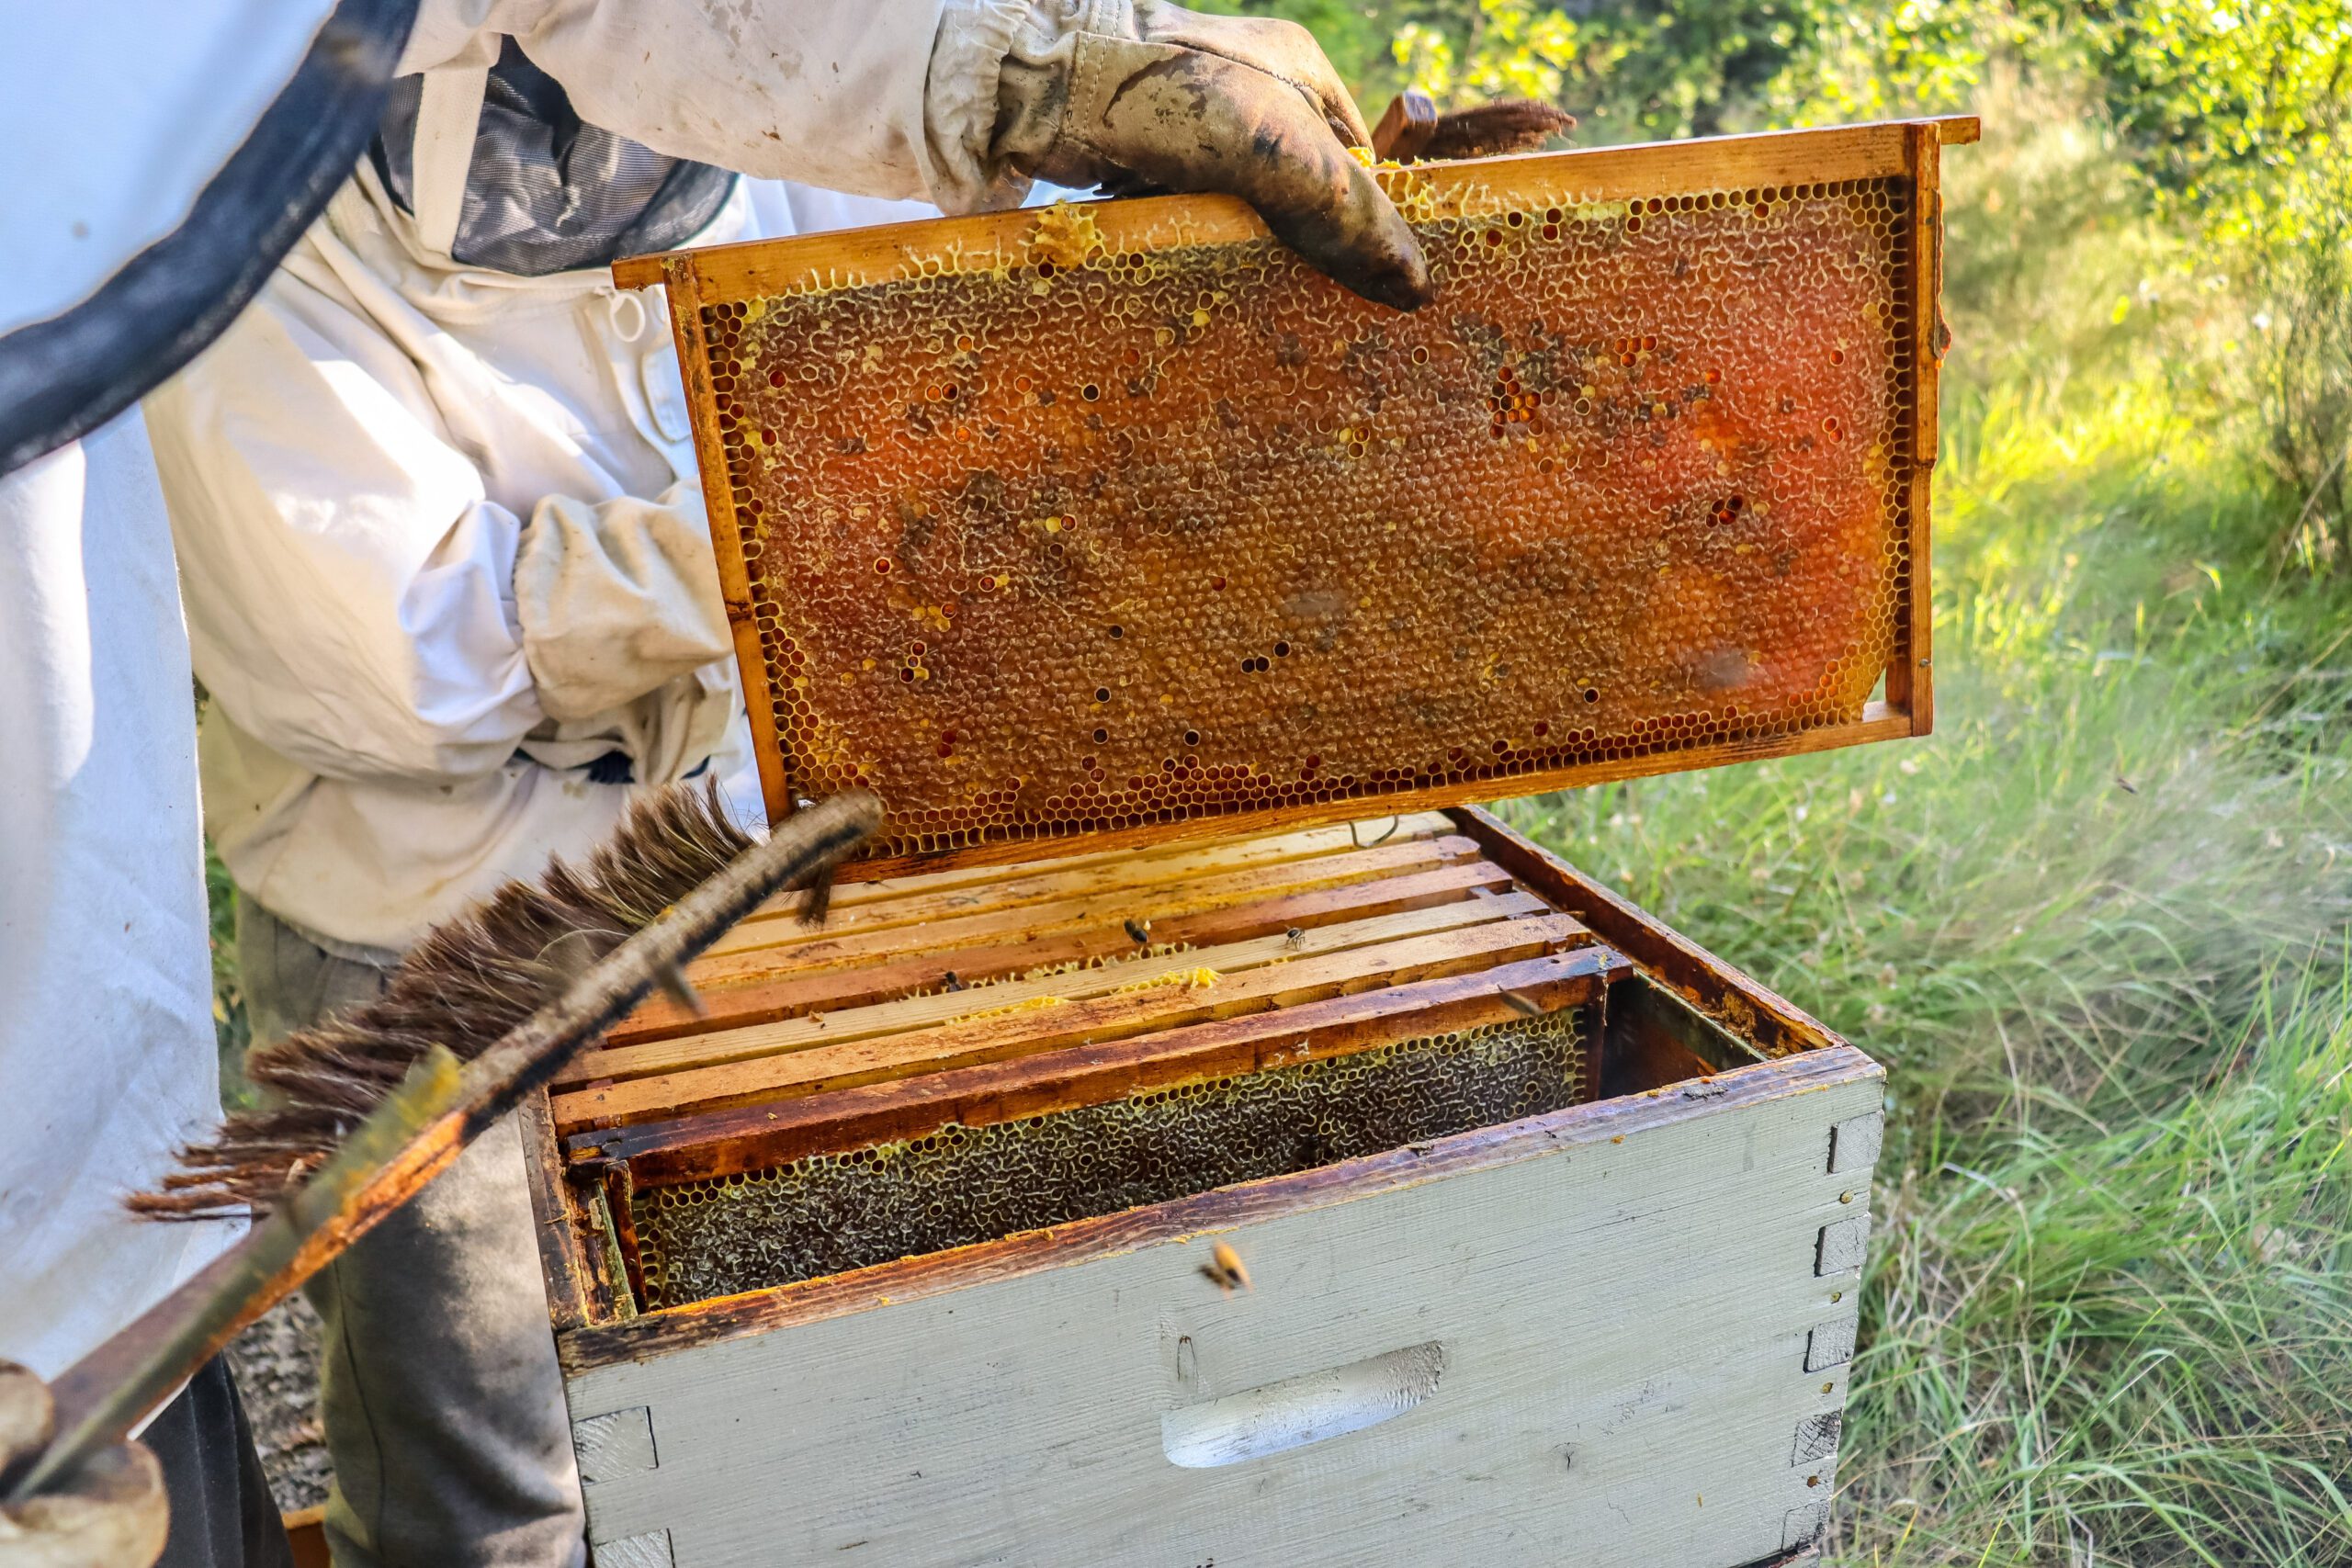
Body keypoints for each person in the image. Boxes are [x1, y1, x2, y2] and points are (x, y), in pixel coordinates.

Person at [130, 6, 1427, 1567]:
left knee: (797, 1427)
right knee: (492, 1492)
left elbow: (947, 283)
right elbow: (404, 671)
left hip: (763, 866)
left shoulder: (773, 77)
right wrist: (804, 495)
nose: (600, 146)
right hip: (438, 932)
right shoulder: (232, 217)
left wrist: (1206, 254)